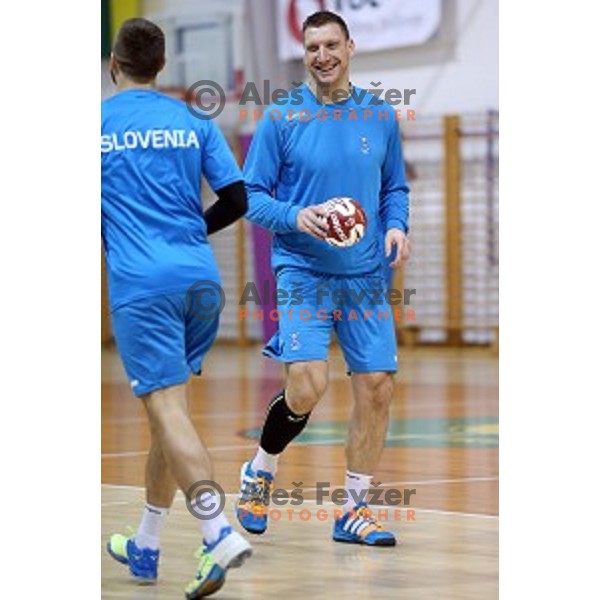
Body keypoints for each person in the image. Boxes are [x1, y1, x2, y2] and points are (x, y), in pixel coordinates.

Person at [236, 10, 410, 546]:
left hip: (365, 275)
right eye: (312, 48)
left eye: (331, 45)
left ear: (351, 47)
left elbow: (394, 189)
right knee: (308, 384)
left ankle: (354, 511)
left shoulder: (379, 117)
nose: (322, 56)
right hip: (303, 270)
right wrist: (295, 217)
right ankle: (260, 470)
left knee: (377, 387)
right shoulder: (282, 118)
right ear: (304, 53)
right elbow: (251, 196)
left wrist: (397, 226)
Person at [101, 18, 252, 598]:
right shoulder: (194, 120)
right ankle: (146, 543)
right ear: (161, 66)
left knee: (165, 408)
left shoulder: (98, 124)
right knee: (171, 411)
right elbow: (236, 199)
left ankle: (216, 529)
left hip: (143, 286)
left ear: (115, 64)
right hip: (200, 283)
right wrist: (190, 231)